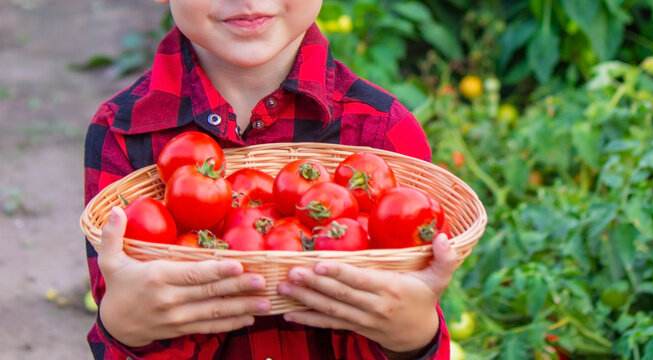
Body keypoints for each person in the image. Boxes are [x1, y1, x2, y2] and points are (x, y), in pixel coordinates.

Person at [83, 0, 459, 358]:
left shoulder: (384, 134)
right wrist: (122, 325)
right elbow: (118, 310)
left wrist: (413, 335)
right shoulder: (122, 133)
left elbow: (407, 310)